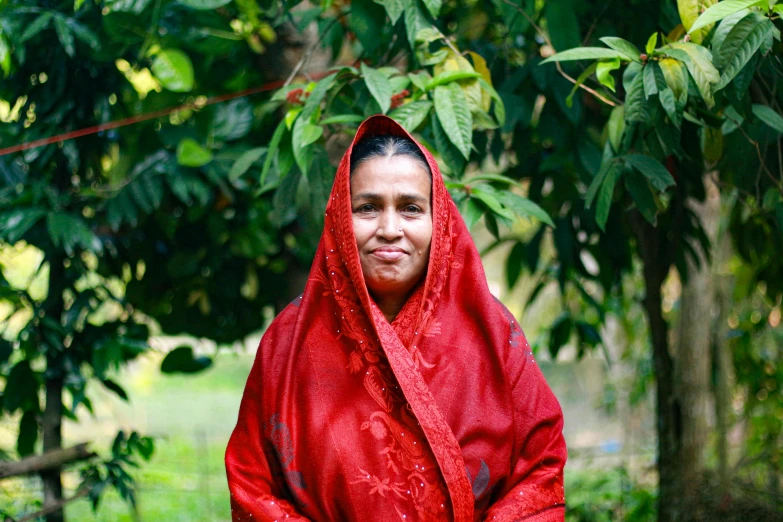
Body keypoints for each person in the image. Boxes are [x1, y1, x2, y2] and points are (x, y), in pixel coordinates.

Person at [225, 115, 566, 522]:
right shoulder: (289, 341)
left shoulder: (492, 331)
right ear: (338, 218)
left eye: (410, 209)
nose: (389, 229)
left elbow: (541, 471)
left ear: (439, 221)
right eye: (367, 207)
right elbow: (252, 486)